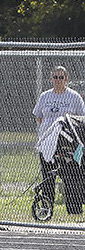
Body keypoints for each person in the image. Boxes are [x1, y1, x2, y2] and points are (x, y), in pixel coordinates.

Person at [32, 65, 85, 219]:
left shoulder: (74, 97)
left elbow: (81, 119)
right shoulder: (45, 96)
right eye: (55, 77)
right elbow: (40, 116)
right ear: (51, 79)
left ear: (66, 79)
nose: (58, 80)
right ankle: (47, 210)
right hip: (47, 144)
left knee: (70, 177)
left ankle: (74, 211)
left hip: (66, 144)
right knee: (48, 178)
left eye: (61, 77)